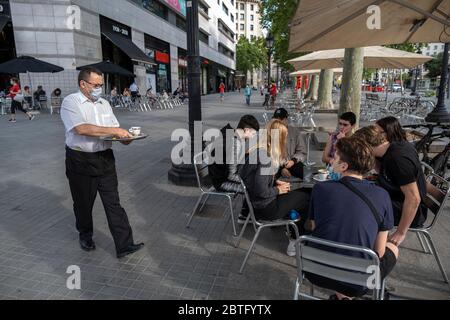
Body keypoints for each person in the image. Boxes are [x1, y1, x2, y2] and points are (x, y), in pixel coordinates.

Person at [60, 67, 144, 259]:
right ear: (83, 84)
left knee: (113, 203)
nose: (99, 88)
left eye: (101, 84)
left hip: (105, 159)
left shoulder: (104, 103)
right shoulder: (71, 102)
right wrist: (115, 131)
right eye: (96, 85)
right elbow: (81, 129)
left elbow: (114, 131)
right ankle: (86, 235)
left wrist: (127, 137)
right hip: (80, 160)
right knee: (83, 203)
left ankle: (124, 245)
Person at [307, 137, 398, 300]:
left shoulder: (320, 188)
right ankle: (346, 296)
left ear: (343, 166)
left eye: (334, 157)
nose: (331, 160)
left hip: (316, 271)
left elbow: (314, 226)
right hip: (358, 283)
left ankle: (341, 295)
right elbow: (379, 251)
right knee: (393, 248)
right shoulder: (382, 195)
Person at [240, 119, 311, 256]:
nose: (285, 142)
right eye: (284, 138)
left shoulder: (255, 151)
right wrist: (278, 189)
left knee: (301, 195)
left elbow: (249, 179)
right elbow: (261, 191)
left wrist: (273, 183)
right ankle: (294, 240)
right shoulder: (265, 158)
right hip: (266, 208)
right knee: (308, 196)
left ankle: (292, 226)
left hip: (255, 206)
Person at [353, 125, 427, 246]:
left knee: (361, 207)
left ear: (367, 146)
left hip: (411, 211)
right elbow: (382, 170)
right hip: (396, 199)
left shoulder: (399, 160)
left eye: (359, 149)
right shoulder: (388, 149)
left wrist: (400, 233)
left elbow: (414, 199)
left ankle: (370, 247)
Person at [208, 115, 260, 195]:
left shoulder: (231, 133)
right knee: (257, 189)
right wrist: (252, 179)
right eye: (253, 133)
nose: (253, 136)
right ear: (246, 130)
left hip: (218, 175)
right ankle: (248, 207)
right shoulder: (235, 143)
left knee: (256, 182)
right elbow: (231, 175)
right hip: (222, 182)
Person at [272, 108, 307, 178]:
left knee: (304, 173)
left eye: (281, 119)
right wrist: (281, 169)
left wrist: (293, 161)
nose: (278, 122)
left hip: (292, 162)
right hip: (276, 165)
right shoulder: (271, 132)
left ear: (286, 120)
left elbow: (302, 152)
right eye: (276, 120)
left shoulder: (295, 132)